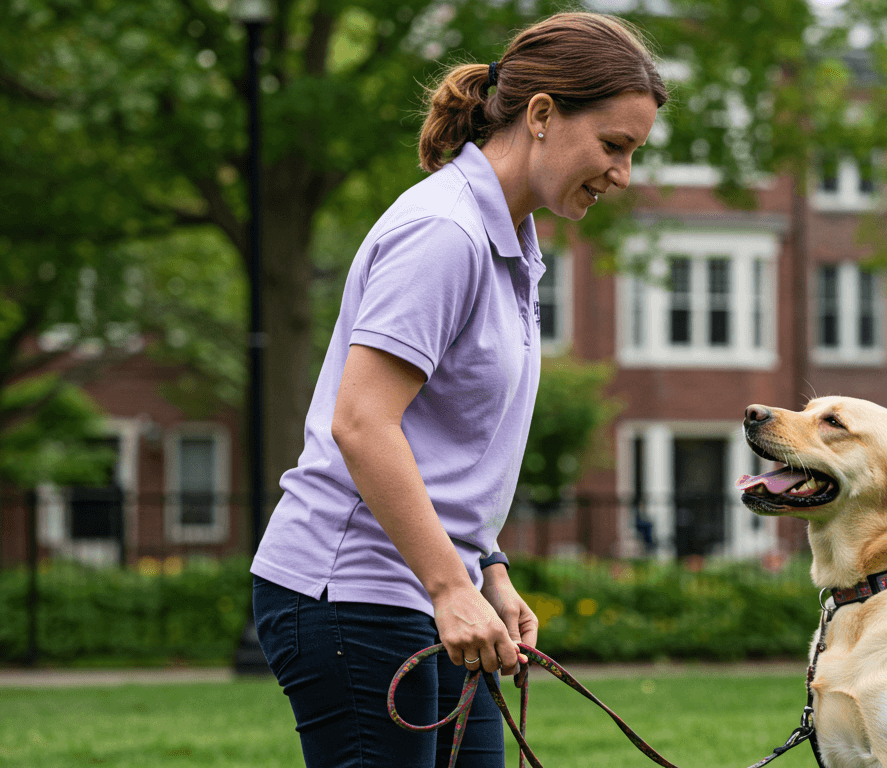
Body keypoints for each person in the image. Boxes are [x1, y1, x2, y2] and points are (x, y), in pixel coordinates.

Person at [248, 12, 668, 768]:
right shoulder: (447, 233)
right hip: (352, 594)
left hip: (429, 589)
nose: (622, 175)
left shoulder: (512, 240)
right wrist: (451, 587)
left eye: (632, 153)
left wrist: (488, 570)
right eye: (613, 146)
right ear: (541, 115)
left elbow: (447, 443)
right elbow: (362, 422)